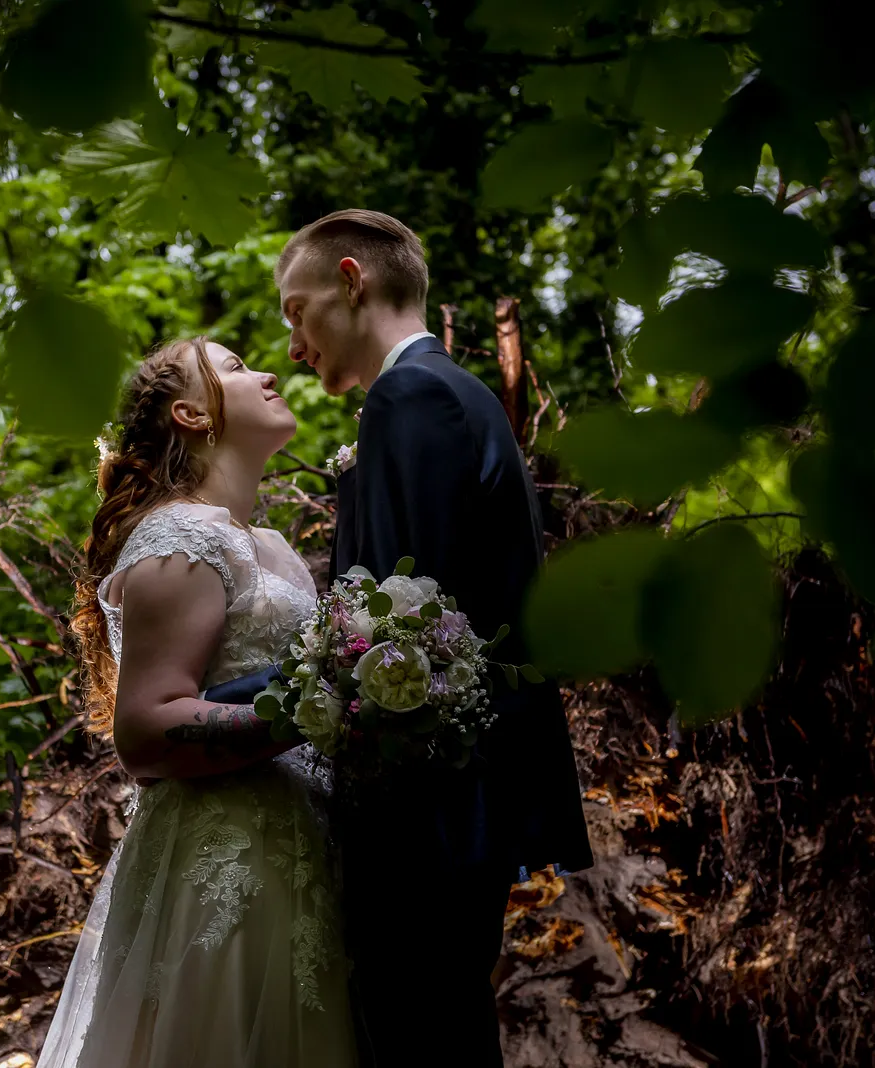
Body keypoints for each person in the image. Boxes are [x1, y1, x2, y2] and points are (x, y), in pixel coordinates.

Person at [209, 209, 595, 1068]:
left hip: (426, 810)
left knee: (419, 1034)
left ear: (351, 282)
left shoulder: (409, 397)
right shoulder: (456, 394)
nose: (293, 346)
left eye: (297, 311)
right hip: (461, 797)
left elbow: (384, 637)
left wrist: (207, 708)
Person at [37, 338, 357, 1068]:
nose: (268, 372)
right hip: (224, 864)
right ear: (191, 414)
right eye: (236, 367)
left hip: (306, 853)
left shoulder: (270, 544)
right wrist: (318, 711)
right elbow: (145, 730)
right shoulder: (177, 538)